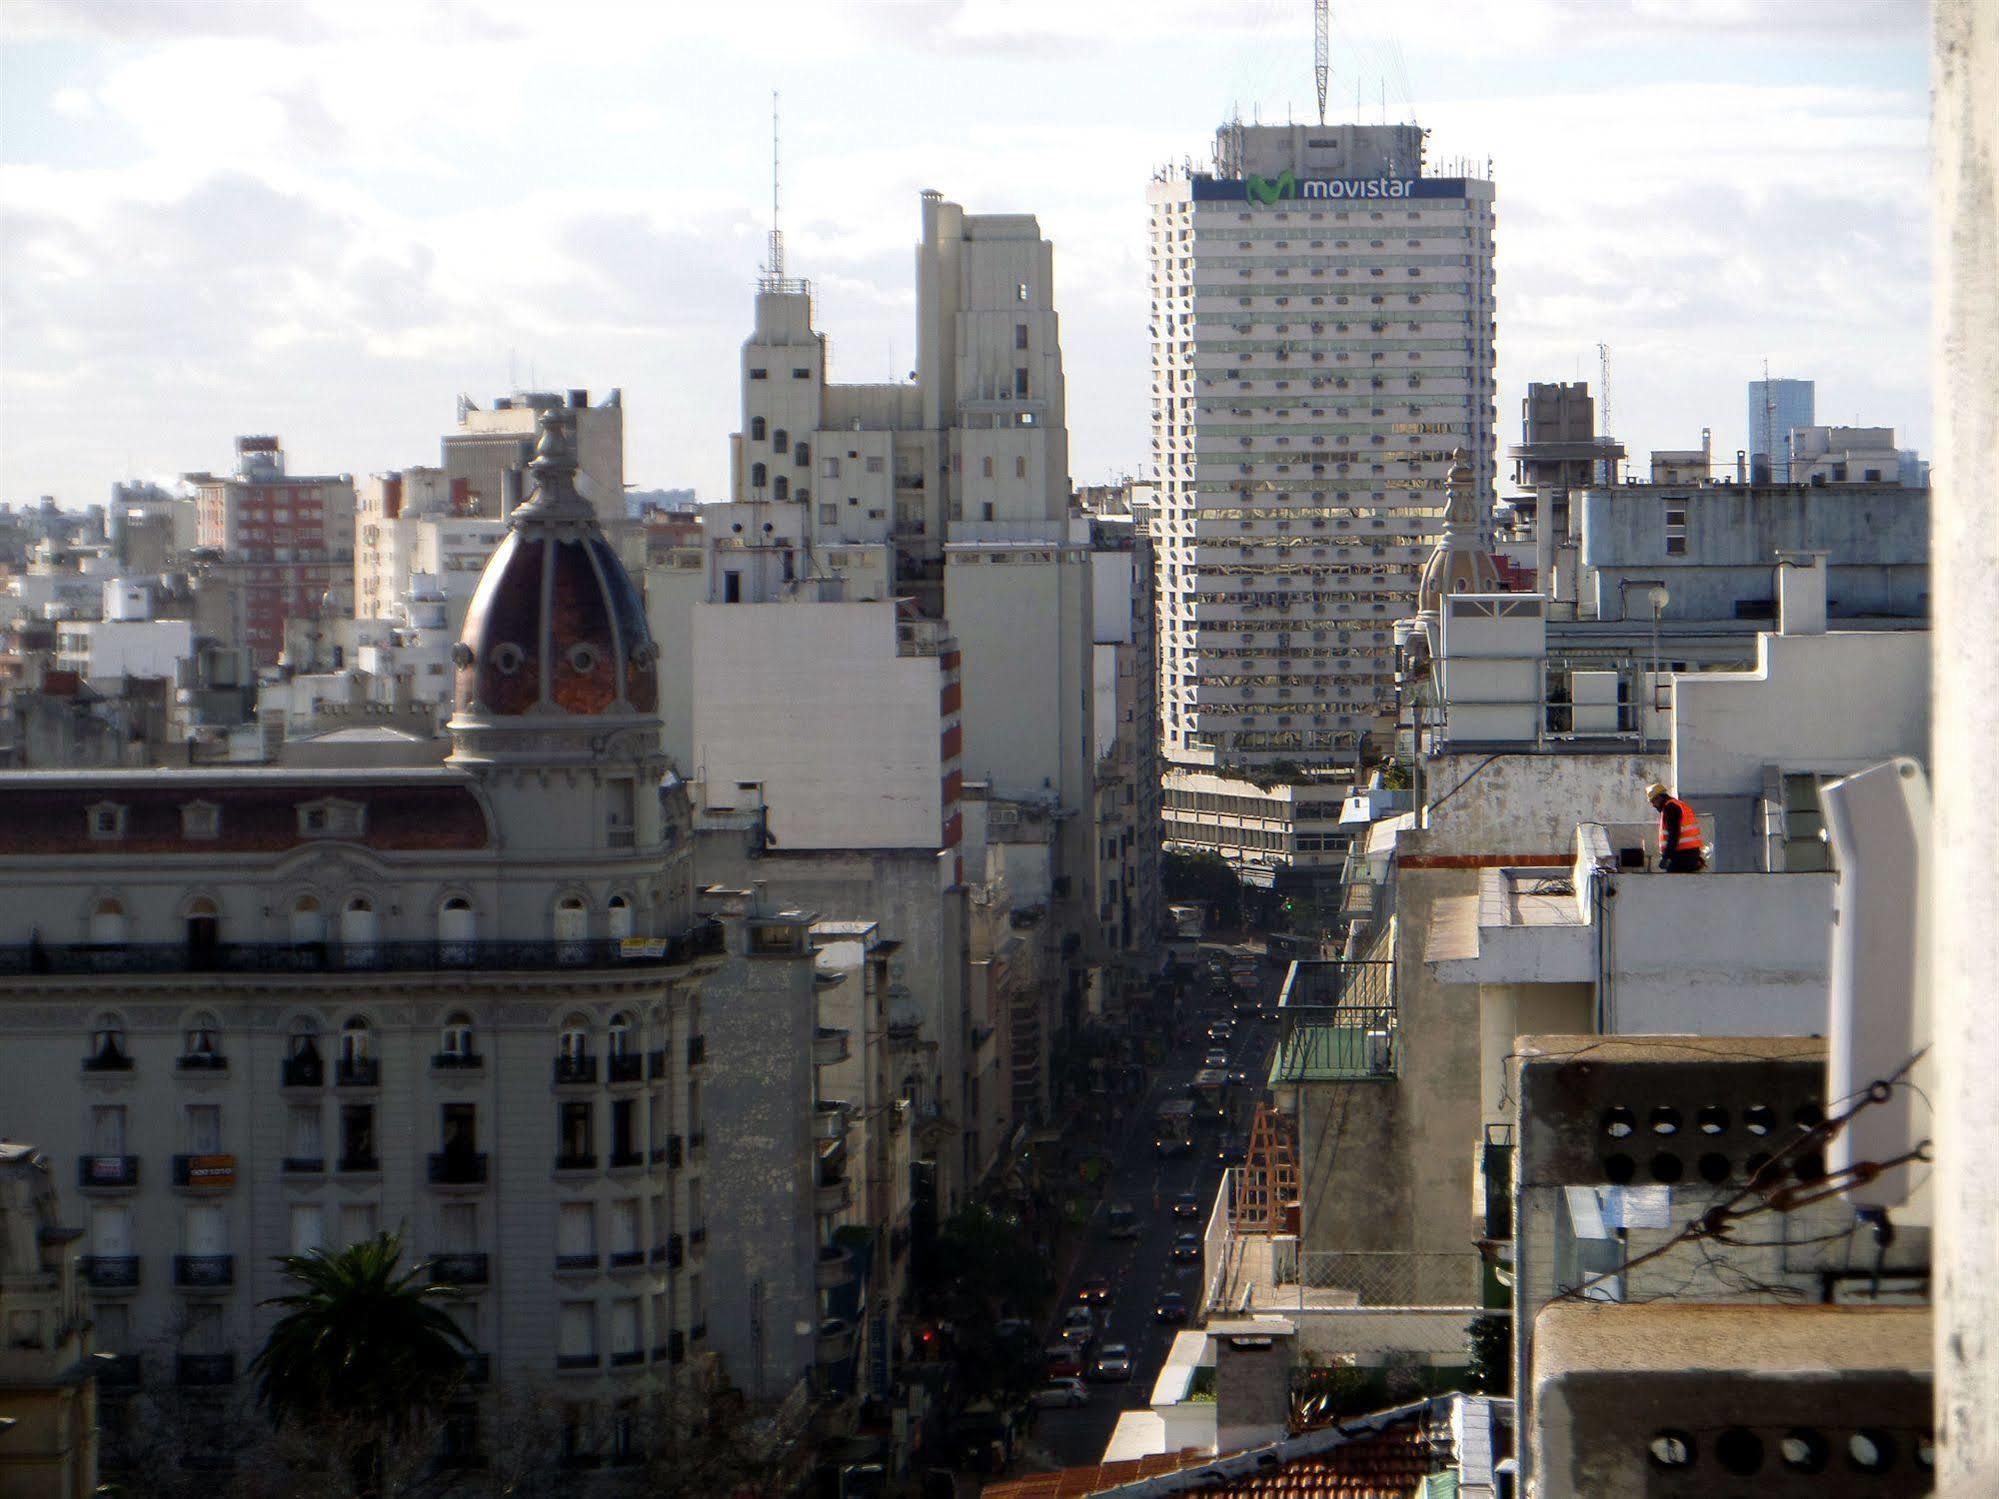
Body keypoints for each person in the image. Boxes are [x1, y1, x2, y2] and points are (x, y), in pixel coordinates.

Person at [1646, 781, 1705, 872]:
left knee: (1673, 883)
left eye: (1653, 801)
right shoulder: (1678, 805)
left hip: (1682, 856)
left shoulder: (1670, 808)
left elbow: (1674, 834)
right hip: (1690, 854)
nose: (1653, 805)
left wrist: (1666, 857)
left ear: (1659, 798)